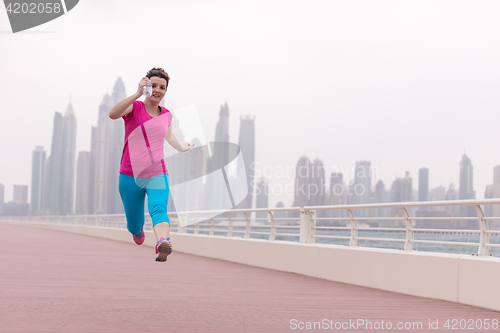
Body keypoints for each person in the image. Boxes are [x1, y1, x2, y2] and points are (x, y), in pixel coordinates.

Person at [109, 67, 194, 262]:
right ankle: (138, 231)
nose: (157, 90)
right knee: (134, 224)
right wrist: (138, 93)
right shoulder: (135, 107)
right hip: (130, 175)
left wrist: (181, 147)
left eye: (162, 87)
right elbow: (112, 114)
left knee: (159, 209)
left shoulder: (167, 115)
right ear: (147, 86)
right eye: (153, 85)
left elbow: (169, 136)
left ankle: (163, 241)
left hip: (157, 173)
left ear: (166, 91)